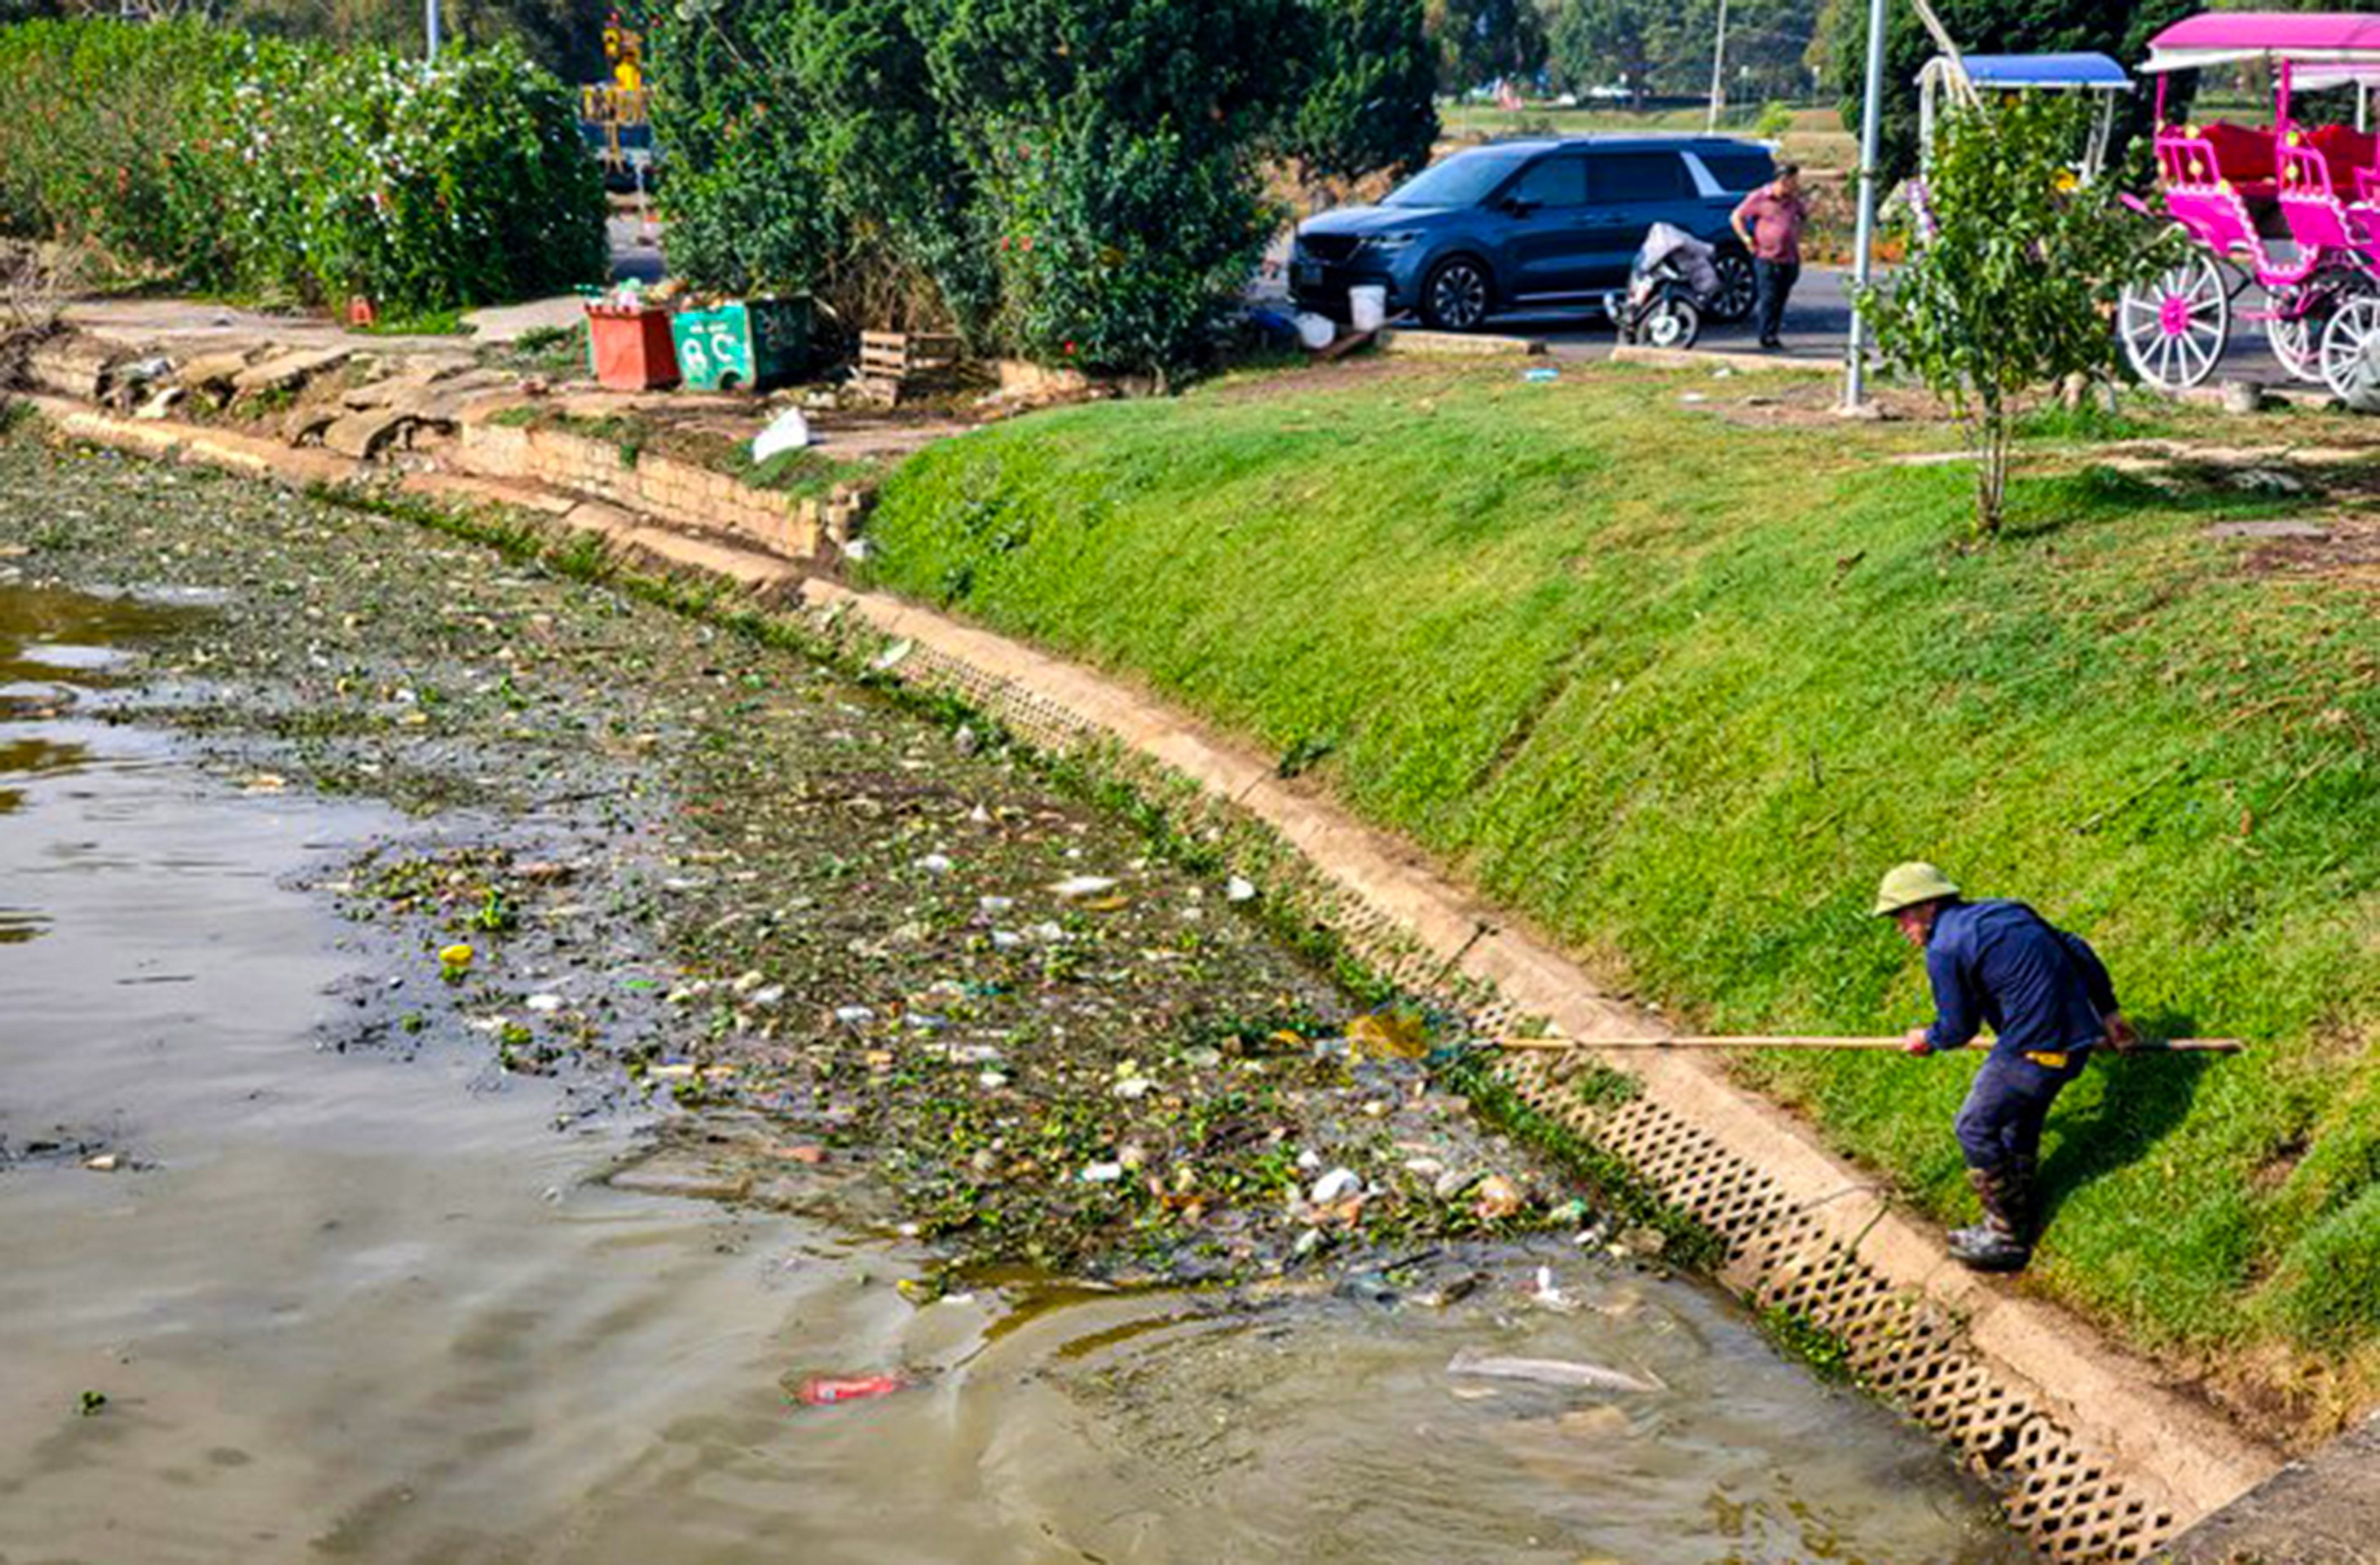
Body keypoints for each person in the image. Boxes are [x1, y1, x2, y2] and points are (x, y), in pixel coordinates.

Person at [1873, 862, 2136, 1273]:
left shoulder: (1943, 948)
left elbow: (1959, 1028)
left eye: (1901, 915)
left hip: (2035, 1050)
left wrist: (1928, 1038)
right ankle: (2021, 1206)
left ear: (1928, 905)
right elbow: (2076, 948)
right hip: (2076, 1042)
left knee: (1974, 1126)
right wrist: (2109, 1013)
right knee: (2017, 1120)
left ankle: (2006, 1236)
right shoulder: (2006, 910)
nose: (1900, 928)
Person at [1730, 163, 1807, 351]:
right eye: (1792, 182)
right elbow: (1736, 216)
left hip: (1789, 257)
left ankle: (1773, 332)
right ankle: (1767, 336)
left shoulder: (1793, 201)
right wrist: (1747, 238)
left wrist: (1798, 235)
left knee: (1781, 298)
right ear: (1782, 181)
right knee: (1769, 297)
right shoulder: (1760, 197)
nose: (1795, 186)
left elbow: (1803, 216)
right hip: (1766, 256)